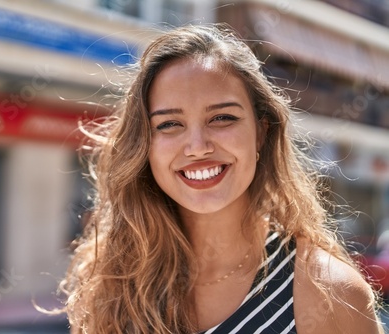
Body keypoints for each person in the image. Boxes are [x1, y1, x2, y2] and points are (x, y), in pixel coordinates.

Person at [55, 24, 385, 333]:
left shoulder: (329, 291)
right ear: (145, 146)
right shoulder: (112, 281)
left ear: (260, 132)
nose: (198, 147)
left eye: (222, 118)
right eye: (169, 124)